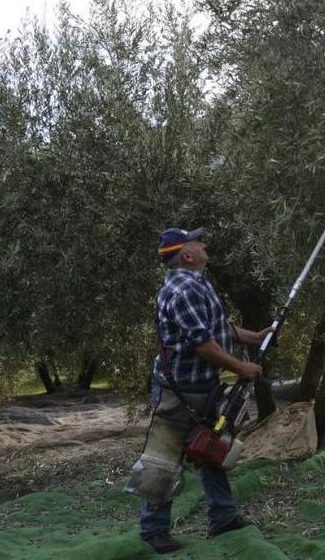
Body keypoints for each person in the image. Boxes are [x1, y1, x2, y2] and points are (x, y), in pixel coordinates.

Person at [128, 226, 270, 553]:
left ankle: (223, 517)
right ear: (187, 255)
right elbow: (203, 344)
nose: (204, 244)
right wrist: (242, 367)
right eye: (197, 241)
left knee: (213, 450)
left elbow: (219, 327)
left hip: (203, 388)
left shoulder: (198, 284)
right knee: (164, 459)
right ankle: (153, 531)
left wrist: (254, 336)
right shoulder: (183, 291)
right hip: (178, 391)